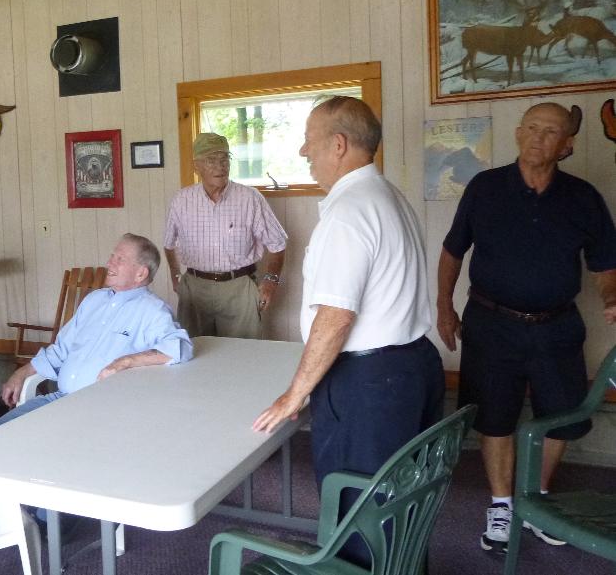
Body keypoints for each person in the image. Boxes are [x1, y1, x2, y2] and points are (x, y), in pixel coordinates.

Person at [253, 96, 444, 567]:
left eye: (310, 143)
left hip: (370, 383)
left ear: (338, 145)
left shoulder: (349, 211)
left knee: (360, 506)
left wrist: (295, 394)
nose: (304, 153)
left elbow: (336, 316)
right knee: (401, 496)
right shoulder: (388, 195)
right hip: (414, 365)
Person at [437, 101, 616, 555]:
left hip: (556, 328)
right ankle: (501, 504)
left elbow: (604, 263)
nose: (538, 137)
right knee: (493, 416)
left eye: (550, 131)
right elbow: (453, 251)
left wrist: (611, 297)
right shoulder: (485, 187)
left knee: (562, 415)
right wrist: (443, 306)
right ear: (518, 134)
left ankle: (533, 499)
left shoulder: (583, 197)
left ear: (566, 144)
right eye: (531, 128)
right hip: (491, 324)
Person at [0, 234, 192, 426]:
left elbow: (179, 346)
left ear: (140, 273)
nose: (109, 263)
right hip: (59, 400)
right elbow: (60, 350)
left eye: (119, 259)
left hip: (102, 412)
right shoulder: (94, 300)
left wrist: (124, 362)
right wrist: (22, 373)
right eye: (112, 256)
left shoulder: (152, 310)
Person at [164, 133, 287, 339]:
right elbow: (168, 244)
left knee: (243, 356)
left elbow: (278, 244)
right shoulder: (181, 200)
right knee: (194, 356)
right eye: (211, 160)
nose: (220, 166)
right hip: (194, 289)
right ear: (196, 166)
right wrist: (176, 276)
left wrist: (271, 281)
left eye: (224, 159)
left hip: (239, 288)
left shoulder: (250, 198)